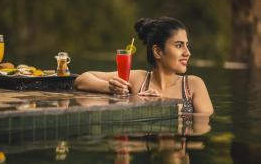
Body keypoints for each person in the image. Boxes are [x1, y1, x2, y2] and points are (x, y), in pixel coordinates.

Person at [74, 17, 213, 114]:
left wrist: (163, 104)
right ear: (158, 51)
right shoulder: (138, 79)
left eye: (186, 45)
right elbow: (81, 80)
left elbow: (203, 128)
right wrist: (111, 88)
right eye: (179, 45)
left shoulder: (194, 85)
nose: (187, 52)